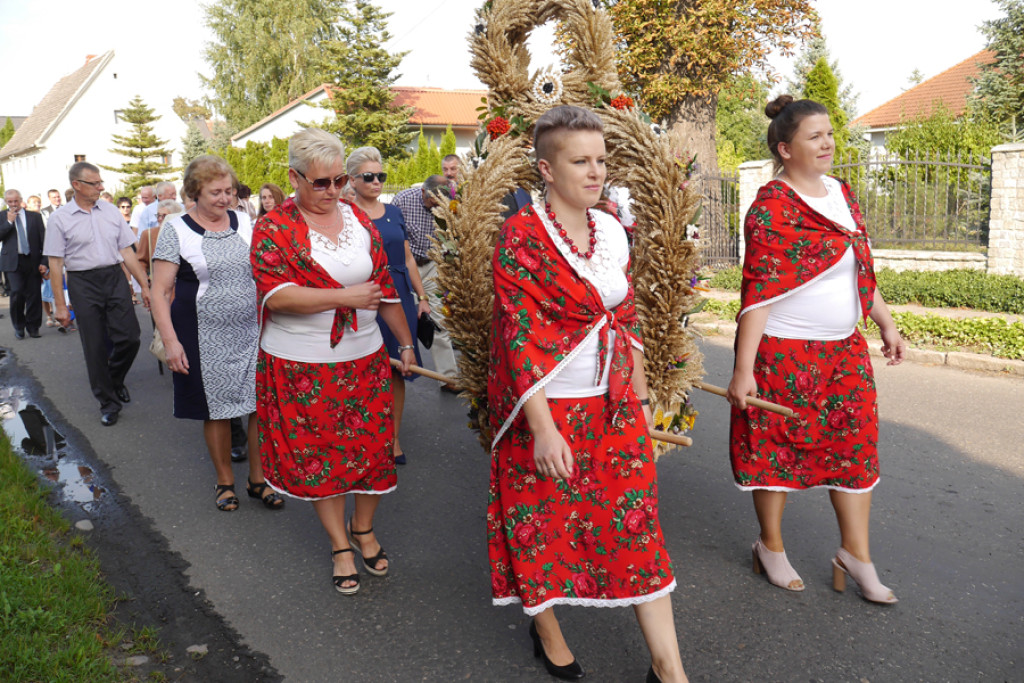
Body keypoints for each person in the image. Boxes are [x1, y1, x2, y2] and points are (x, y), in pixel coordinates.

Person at [487, 106, 688, 683]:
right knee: (540, 526)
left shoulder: (612, 231)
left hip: (614, 403)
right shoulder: (520, 236)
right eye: (580, 161)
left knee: (637, 530)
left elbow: (627, 322)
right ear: (547, 170)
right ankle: (547, 630)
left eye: (601, 160)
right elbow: (518, 338)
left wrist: (645, 403)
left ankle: (669, 670)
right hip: (544, 409)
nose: (596, 172)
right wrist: (543, 428)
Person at [726, 95, 905, 605]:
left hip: (844, 352)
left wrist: (886, 324)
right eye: (814, 136)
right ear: (785, 148)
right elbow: (759, 293)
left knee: (854, 451)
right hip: (783, 354)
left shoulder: (842, 194)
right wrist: (744, 370)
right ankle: (771, 546)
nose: (827, 143)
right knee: (775, 449)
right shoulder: (770, 209)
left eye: (829, 133)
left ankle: (856, 556)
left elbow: (858, 270)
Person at [251, 127, 415, 595]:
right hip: (302, 364)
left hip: (364, 356)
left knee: (372, 447)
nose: (332, 192)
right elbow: (277, 295)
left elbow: (381, 288)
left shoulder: (358, 221)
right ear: (294, 177)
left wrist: (402, 345)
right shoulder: (274, 226)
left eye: (339, 180)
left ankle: (363, 528)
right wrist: (344, 295)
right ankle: (340, 542)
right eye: (320, 183)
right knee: (322, 456)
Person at [149, 155, 282, 513]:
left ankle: (258, 480)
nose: (226, 199)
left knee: (257, 406)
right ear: (194, 192)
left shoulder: (244, 220)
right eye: (216, 192)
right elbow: (159, 292)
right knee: (217, 410)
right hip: (200, 334)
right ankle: (225, 482)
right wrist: (172, 341)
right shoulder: (175, 228)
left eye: (230, 191)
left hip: (251, 330)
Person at [44, 162, 151, 426]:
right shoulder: (60, 218)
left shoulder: (111, 212)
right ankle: (108, 402)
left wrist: (145, 286)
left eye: (100, 182)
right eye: (95, 183)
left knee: (130, 337)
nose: (101, 187)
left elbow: (127, 251)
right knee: (94, 346)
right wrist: (60, 305)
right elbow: (55, 264)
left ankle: (113, 380)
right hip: (82, 282)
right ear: (77, 185)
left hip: (114, 277)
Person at [347, 146, 430, 466]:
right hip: (363, 295)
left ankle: (393, 437)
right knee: (362, 369)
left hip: (399, 294)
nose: (377, 181)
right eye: (369, 177)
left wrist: (422, 298)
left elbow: (407, 258)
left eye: (381, 176)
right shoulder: (345, 214)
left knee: (398, 368)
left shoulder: (394, 211)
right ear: (352, 180)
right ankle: (362, 431)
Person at [391, 175, 459, 392]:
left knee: (439, 320)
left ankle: (448, 377)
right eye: (432, 201)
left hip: (431, 265)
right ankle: (390, 373)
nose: (436, 205)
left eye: (440, 201)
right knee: (400, 318)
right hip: (405, 265)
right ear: (423, 192)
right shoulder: (402, 200)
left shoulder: (450, 204)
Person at [1, 189, 47, 339]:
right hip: (13, 262)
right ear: (6, 202)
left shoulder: (34, 217)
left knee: (34, 295)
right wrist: (9, 222)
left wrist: (44, 261)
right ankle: (19, 326)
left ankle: (33, 326)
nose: (13, 204)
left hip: (32, 260)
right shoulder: (2, 216)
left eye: (16, 201)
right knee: (17, 292)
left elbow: (44, 240)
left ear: (21, 200)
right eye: (10, 202)